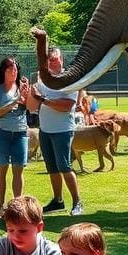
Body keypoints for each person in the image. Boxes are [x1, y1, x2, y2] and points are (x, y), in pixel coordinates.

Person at [27, 46, 82, 216]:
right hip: (45, 130)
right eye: (49, 60)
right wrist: (29, 94)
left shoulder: (69, 79)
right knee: (52, 168)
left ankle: (77, 202)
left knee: (64, 166)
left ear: (62, 60)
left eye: (56, 59)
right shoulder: (41, 80)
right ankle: (58, 201)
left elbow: (66, 106)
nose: (53, 62)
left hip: (63, 130)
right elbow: (31, 107)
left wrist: (43, 99)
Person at [0, 57, 31, 215]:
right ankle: (1, 206)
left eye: (15, 69)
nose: (13, 72)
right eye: (9, 69)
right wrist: (14, 102)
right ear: (3, 71)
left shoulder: (22, 86)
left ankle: (18, 206)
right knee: (1, 170)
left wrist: (27, 96)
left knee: (18, 169)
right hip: (1, 133)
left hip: (20, 132)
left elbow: (30, 107)